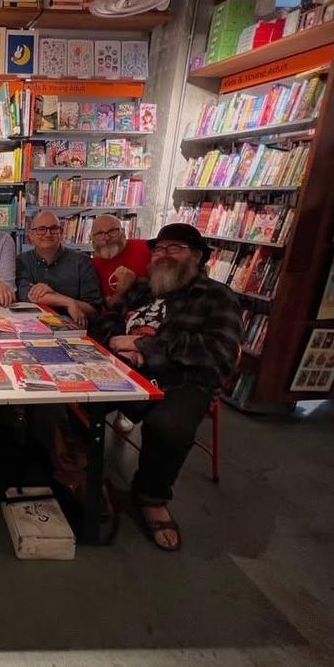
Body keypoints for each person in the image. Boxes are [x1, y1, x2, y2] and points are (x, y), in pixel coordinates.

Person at [90, 223, 242, 551]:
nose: (163, 255)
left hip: (185, 381)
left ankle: (151, 498)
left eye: (174, 248)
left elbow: (219, 354)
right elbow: (106, 320)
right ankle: (85, 479)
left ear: (197, 256)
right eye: (158, 249)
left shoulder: (217, 297)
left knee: (168, 426)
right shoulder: (143, 288)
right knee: (76, 401)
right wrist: (120, 344)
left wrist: (147, 348)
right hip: (124, 370)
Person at [17, 210, 103, 326]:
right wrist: (68, 302)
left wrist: (56, 295)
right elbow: (27, 295)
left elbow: (93, 310)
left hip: (76, 330)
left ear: (61, 232)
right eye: (41, 229)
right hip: (32, 328)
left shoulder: (82, 262)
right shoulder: (22, 261)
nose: (48, 234)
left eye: (53, 229)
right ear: (31, 235)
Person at [89, 214, 152, 310]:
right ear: (92, 239)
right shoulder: (93, 265)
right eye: (99, 234)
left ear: (123, 232)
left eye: (113, 231)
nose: (106, 238)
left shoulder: (146, 248)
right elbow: (108, 307)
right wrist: (121, 289)